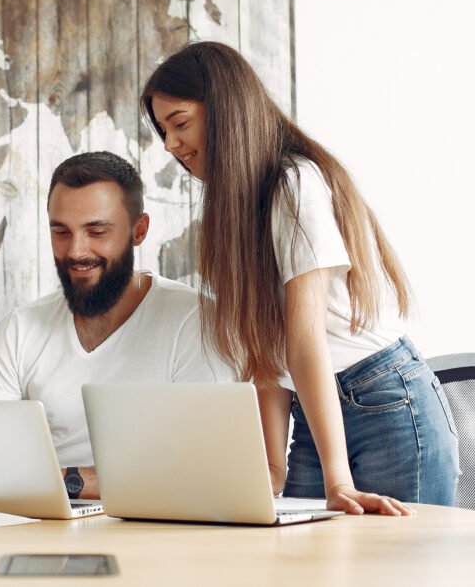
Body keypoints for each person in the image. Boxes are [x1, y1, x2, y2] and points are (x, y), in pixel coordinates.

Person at [140, 41, 459, 515]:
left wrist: (338, 481)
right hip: (317, 410)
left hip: (387, 403)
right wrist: (271, 467)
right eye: (163, 130)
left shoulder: (296, 182)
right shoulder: (237, 211)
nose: (170, 146)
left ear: (227, 111)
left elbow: (304, 338)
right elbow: (266, 347)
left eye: (180, 123)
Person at [0, 151, 233, 500]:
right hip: (43, 529)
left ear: (139, 231)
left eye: (97, 231)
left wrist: (69, 481)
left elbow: (210, 465)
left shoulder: (196, 321)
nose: (77, 251)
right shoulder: (22, 327)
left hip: (161, 528)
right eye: (61, 232)